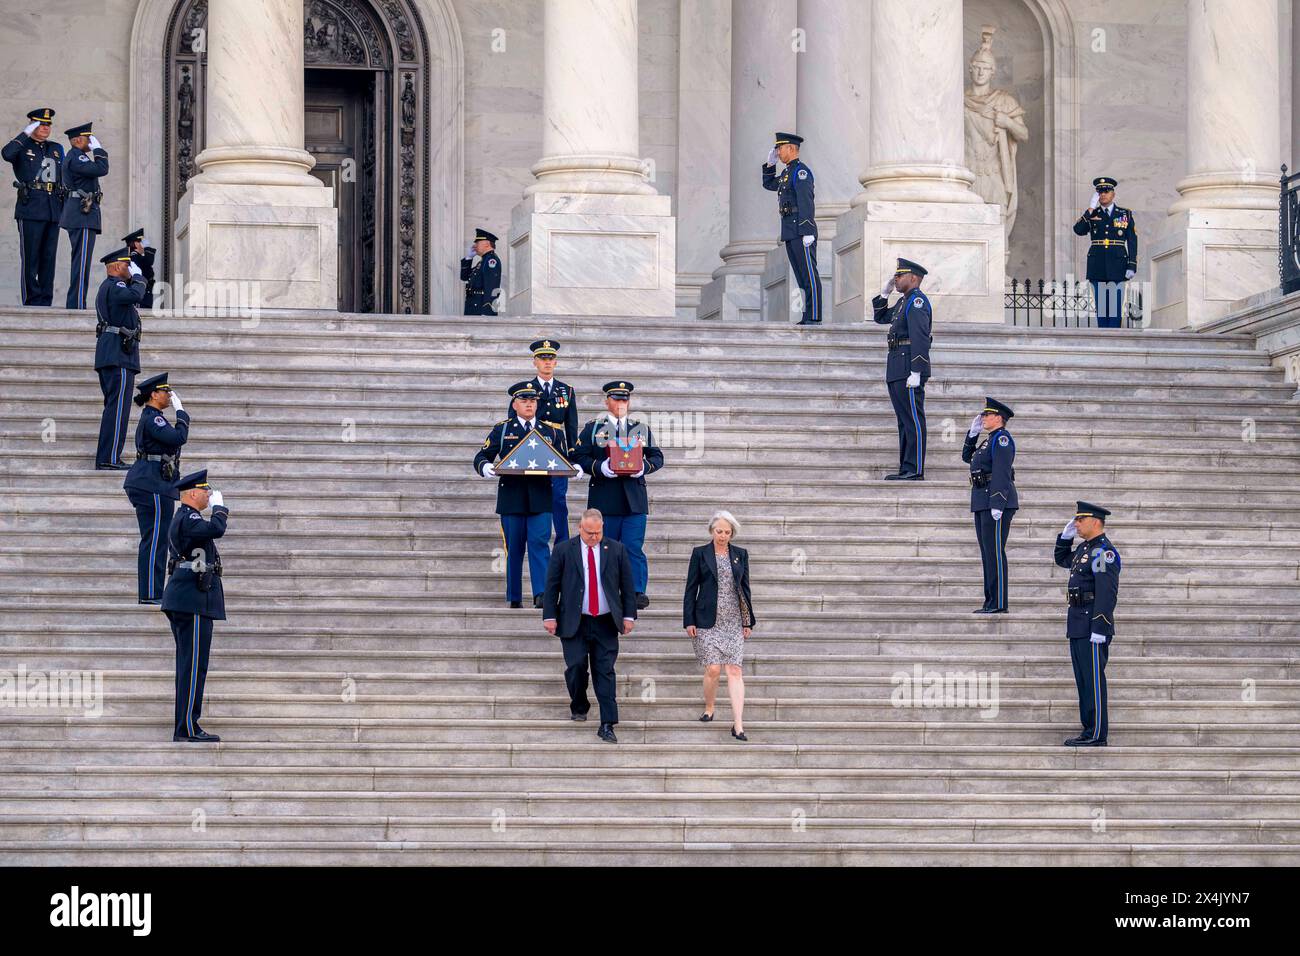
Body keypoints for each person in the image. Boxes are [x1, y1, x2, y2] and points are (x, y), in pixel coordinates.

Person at [542, 508, 638, 743]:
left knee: (604, 671)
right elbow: (552, 584)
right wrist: (549, 615)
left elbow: (627, 585)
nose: (594, 537)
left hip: (605, 621)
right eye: (589, 533)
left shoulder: (616, 549)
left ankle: (607, 723)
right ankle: (579, 703)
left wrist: (629, 616)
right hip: (575, 620)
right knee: (575, 667)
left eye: (597, 532)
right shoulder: (565, 550)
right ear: (579, 528)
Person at [474, 382, 568, 608]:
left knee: (539, 543)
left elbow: (564, 460)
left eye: (533, 400)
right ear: (514, 404)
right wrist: (486, 467)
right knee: (514, 548)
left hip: (541, 496)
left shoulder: (551, 432)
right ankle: (514, 596)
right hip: (512, 498)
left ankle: (542, 594)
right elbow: (481, 455)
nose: (529, 404)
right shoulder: (503, 429)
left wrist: (574, 469)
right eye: (524, 400)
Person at [572, 381, 664, 609]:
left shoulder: (639, 428)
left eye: (625, 399)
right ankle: (607, 588)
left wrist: (644, 467)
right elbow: (577, 457)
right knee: (606, 547)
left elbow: (657, 456)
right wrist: (599, 467)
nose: (621, 403)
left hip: (634, 499)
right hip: (605, 498)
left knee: (633, 546)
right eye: (616, 399)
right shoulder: (593, 428)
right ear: (607, 402)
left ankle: (636, 591)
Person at [162, 469, 230, 743]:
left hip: (190, 598)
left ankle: (187, 724)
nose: (209, 495)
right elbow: (217, 529)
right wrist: (221, 510)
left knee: (191, 665)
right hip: (192, 601)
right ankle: (187, 728)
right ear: (192, 494)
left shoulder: (186, 518)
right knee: (193, 666)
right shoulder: (189, 517)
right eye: (206, 491)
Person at [683, 511, 755, 741]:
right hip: (706, 619)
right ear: (711, 531)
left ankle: (738, 724)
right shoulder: (700, 554)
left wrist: (747, 620)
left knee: (735, 670)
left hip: (733, 619)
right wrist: (689, 619)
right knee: (713, 669)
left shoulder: (740, 555)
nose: (723, 535)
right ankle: (710, 706)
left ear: (732, 533)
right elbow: (690, 589)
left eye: (727, 532)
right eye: (719, 531)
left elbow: (745, 588)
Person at [1054, 501, 1122, 747]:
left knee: (1093, 679)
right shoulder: (1086, 549)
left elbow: (1106, 593)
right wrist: (1064, 538)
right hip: (1077, 623)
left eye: (1080, 520)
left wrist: (1100, 627)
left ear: (1095, 521)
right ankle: (1088, 728)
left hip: (1092, 626)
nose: (1077, 524)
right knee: (1083, 679)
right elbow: (1062, 560)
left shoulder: (1102, 552)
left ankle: (1097, 734)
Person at [124, 373, 190, 604]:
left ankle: (150, 591)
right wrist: (182, 414)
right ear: (154, 394)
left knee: (153, 538)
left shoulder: (154, 417)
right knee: (156, 539)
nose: (169, 395)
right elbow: (178, 437)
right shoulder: (154, 418)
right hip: (152, 483)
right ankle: (152, 592)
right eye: (165, 391)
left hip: (151, 481)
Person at [506, 339, 579, 544]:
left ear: (556, 362)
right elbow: (513, 422)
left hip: (556, 449)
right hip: (531, 447)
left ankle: (562, 545)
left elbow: (571, 426)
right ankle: (535, 539)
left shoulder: (567, 390)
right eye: (543, 358)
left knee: (558, 499)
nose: (547, 362)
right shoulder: (524, 390)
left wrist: (573, 456)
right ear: (535, 362)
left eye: (551, 358)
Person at [872, 258, 932, 480]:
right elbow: (880, 318)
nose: (895, 279)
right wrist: (885, 294)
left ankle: (915, 469)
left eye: (900, 276)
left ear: (914, 278)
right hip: (897, 364)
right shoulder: (903, 302)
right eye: (895, 276)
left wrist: (916, 371)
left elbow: (920, 338)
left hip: (908, 366)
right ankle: (906, 467)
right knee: (904, 419)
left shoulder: (917, 302)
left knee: (913, 419)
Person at [962, 397, 1018, 614]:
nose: (983, 418)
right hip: (981, 500)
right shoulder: (989, 440)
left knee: (994, 551)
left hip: (995, 501)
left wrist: (997, 502)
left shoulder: (1002, 439)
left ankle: (999, 602)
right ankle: (990, 601)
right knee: (987, 553)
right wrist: (972, 433)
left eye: (987, 415)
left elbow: (1003, 472)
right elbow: (967, 457)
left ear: (999, 418)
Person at [3, 108, 64, 306]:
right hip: (30, 208)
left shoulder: (56, 148)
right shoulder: (21, 146)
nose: (45, 128)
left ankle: (46, 300)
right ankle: (31, 300)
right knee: (31, 259)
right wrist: (25, 133)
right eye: (40, 124)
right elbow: (6, 153)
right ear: (32, 124)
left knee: (48, 258)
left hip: (53, 209)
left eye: (48, 124)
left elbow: (62, 178)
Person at [93, 247, 146, 470]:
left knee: (115, 408)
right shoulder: (115, 285)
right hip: (118, 356)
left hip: (113, 354)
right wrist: (139, 278)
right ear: (115, 267)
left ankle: (109, 456)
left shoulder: (110, 286)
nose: (128, 268)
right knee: (117, 410)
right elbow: (136, 295)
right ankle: (109, 458)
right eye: (125, 265)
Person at [761, 132, 820, 325]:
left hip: (801, 230)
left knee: (809, 274)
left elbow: (806, 202)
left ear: (791, 148)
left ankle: (814, 315)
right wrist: (769, 166)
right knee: (801, 276)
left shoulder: (801, 172)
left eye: (780, 148)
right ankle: (807, 315)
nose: (778, 152)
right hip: (790, 230)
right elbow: (769, 184)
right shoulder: (787, 173)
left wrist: (808, 230)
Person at [1072, 176, 1137, 328]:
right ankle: (1103, 339)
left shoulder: (1124, 214)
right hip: (1098, 265)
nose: (1102, 195)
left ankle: (1115, 342)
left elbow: (1132, 241)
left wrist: (1131, 264)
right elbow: (1078, 230)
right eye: (1099, 192)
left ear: (1113, 194)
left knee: (1115, 308)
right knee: (1102, 309)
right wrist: (1089, 210)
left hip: (1118, 264)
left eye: (1106, 191)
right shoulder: (1093, 214)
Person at [59, 122, 109, 310]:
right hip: (82, 215)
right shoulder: (77, 157)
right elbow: (101, 169)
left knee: (82, 262)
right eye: (89, 138)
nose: (91, 141)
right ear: (78, 139)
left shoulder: (78, 156)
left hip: (82, 214)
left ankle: (77, 302)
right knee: (81, 263)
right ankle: (77, 304)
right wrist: (99, 151)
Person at [460, 227, 502, 315]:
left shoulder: (491, 261)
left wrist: (487, 312)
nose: (475, 245)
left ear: (487, 244)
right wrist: (469, 258)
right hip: (473, 306)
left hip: (480, 309)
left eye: (477, 242)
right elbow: (464, 277)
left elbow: (492, 287)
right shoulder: (483, 261)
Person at [122, 228, 157, 309]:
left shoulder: (136, 257)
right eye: (140, 242)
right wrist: (148, 249)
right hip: (140, 299)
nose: (143, 245)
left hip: (143, 296)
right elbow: (148, 263)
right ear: (136, 244)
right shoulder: (134, 257)